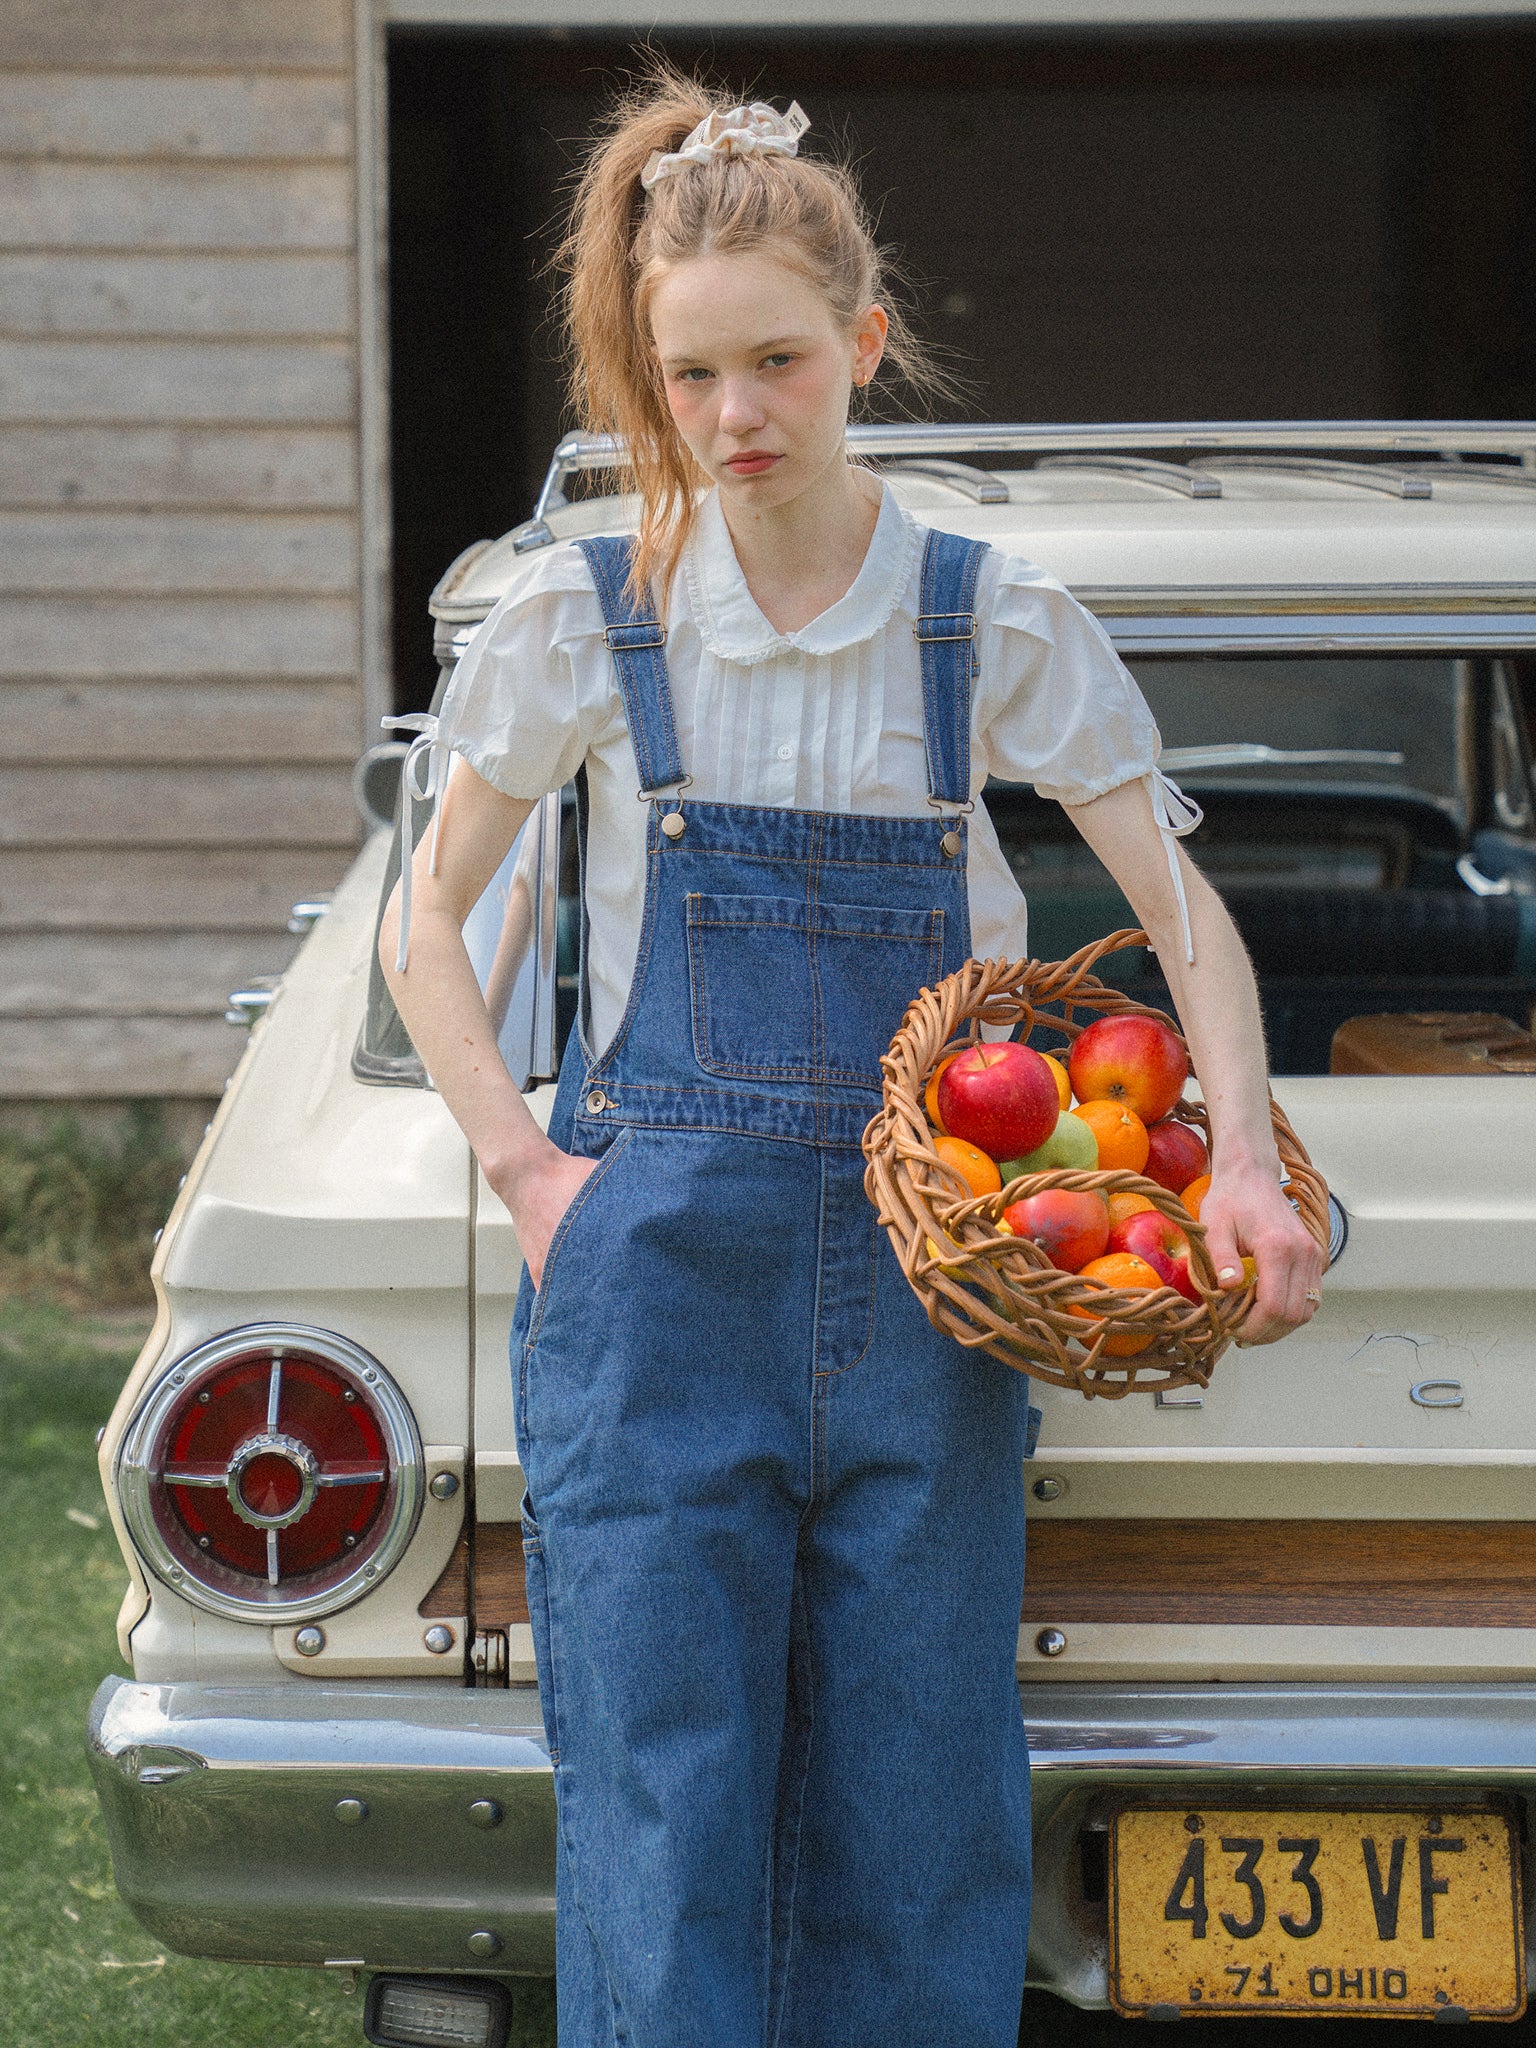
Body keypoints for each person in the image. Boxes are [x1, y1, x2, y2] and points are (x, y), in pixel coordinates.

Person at [381, 71, 1323, 2048]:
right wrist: (536, 1181)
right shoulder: (591, 619)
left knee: (916, 1809)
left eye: (780, 363)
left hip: (930, 1297)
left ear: (866, 343)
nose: (736, 414)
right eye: (693, 374)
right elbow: (422, 926)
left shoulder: (987, 622)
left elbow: (1183, 917)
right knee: (667, 1814)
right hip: (656, 1290)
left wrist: (1240, 1157)